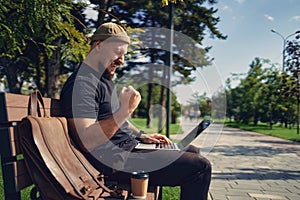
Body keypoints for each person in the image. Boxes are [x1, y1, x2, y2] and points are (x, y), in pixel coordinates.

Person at [60, 22, 211, 200]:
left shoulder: (102, 79)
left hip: (129, 149)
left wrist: (142, 136)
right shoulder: (82, 84)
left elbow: (115, 121)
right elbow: (88, 141)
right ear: (98, 46)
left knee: (192, 150)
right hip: (114, 161)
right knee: (200, 167)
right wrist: (126, 110)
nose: (122, 61)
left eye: (124, 55)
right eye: (118, 52)